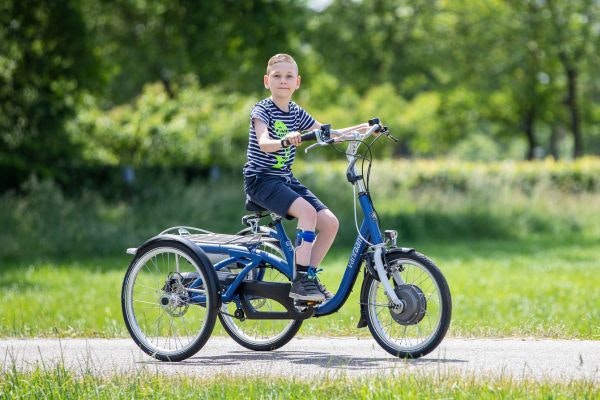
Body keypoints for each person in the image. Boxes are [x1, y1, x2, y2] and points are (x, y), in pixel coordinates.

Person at [243, 53, 369, 302]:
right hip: (261, 180)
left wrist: (362, 128)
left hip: (284, 179)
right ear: (266, 81)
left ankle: (308, 276)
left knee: (330, 223)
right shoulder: (262, 110)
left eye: (289, 76)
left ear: (297, 82)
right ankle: (301, 281)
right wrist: (285, 140)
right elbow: (264, 142)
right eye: (277, 76)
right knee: (308, 214)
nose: (283, 81)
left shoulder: (296, 112)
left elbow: (327, 133)